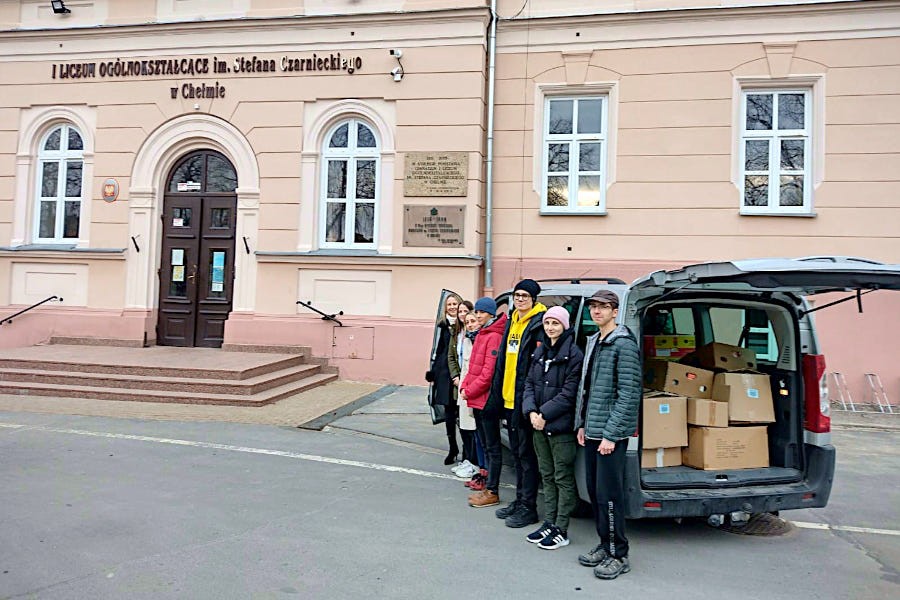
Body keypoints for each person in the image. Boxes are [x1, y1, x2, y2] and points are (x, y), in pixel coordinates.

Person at [574, 290, 641, 580]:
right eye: (593, 307)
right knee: (596, 493)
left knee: (611, 496)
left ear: (616, 311)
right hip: (591, 431)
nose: (597, 311)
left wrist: (611, 435)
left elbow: (628, 394)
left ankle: (618, 554)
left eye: (603, 307)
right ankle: (604, 544)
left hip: (609, 435)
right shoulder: (596, 341)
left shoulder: (623, 344)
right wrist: (582, 424)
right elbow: (588, 389)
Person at [521, 306, 584, 550]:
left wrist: (544, 414)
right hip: (539, 425)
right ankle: (549, 522)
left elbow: (569, 394)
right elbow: (528, 384)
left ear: (565, 326)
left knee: (562, 478)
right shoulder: (540, 352)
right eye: (547, 323)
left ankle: (561, 528)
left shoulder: (574, 355)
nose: (550, 328)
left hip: (560, 428)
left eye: (555, 323)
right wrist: (531, 412)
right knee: (546, 476)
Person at [487, 279, 547, 528]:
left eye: (524, 296)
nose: (520, 299)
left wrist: (530, 402)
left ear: (533, 299)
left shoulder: (539, 323)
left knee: (526, 456)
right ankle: (520, 500)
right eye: (517, 295)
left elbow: (535, 368)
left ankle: (529, 507)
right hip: (509, 397)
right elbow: (505, 359)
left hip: (525, 400)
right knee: (517, 454)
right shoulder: (513, 319)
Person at [459, 296, 507, 508]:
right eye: (476, 311)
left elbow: (488, 373)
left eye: (481, 312)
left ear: (491, 314)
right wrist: (465, 385)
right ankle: (486, 484)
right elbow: (472, 367)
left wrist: (469, 390)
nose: (477, 315)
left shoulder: (493, 336)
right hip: (476, 398)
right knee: (485, 445)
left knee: (492, 447)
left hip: (486, 400)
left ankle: (493, 490)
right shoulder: (482, 333)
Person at [425, 293, 462, 465]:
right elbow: (437, 350)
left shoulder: (464, 324)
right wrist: (432, 372)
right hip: (443, 374)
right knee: (448, 414)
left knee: (462, 413)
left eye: (455, 304)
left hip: (459, 374)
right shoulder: (442, 325)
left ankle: (468, 452)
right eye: (450, 304)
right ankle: (452, 448)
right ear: (445, 308)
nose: (453, 307)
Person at [449, 301, 478, 478]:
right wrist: (457, 380)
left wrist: (468, 387)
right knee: (465, 427)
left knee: (474, 429)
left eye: (472, 320)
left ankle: (474, 463)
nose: (469, 324)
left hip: (472, 389)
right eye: (467, 322)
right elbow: (452, 358)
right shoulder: (463, 336)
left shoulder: (479, 339)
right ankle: (469, 461)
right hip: (463, 387)